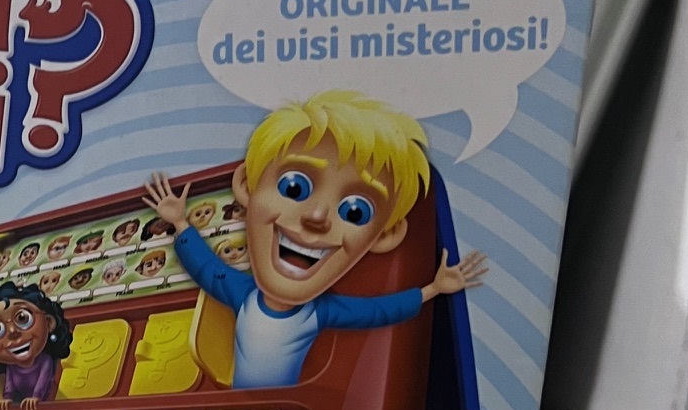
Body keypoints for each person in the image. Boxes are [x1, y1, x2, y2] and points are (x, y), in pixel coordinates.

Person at [144, 90, 487, 390]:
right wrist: (180, 223)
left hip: (283, 409)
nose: (318, 217)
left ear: (384, 236)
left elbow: (377, 311)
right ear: (248, 185)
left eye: (355, 211)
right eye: (294, 187)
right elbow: (205, 268)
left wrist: (433, 289)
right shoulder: (241, 293)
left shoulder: (320, 313)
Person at [0, 280, 73, 410]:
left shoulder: (45, 360)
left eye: (22, 318)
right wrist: (6, 399)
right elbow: (9, 386)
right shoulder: (11, 367)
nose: (12, 331)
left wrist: (36, 397)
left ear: (48, 322)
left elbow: (43, 382)